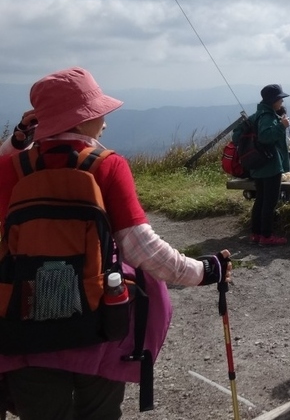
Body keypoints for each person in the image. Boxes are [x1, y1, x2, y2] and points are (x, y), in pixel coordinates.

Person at [0, 67, 232, 419]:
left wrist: (20, 140)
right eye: (97, 114)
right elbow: (140, 248)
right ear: (80, 122)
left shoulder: (11, 169)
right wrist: (203, 271)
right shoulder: (107, 166)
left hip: (22, 321)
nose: (104, 122)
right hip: (97, 321)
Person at [234, 84, 290, 245]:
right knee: (269, 202)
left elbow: (236, 134)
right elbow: (266, 137)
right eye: (280, 99)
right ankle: (266, 236)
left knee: (260, 200)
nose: (281, 102)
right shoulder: (268, 117)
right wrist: (282, 126)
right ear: (273, 100)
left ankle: (256, 233)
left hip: (257, 165)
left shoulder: (256, 115)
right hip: (270, 166)